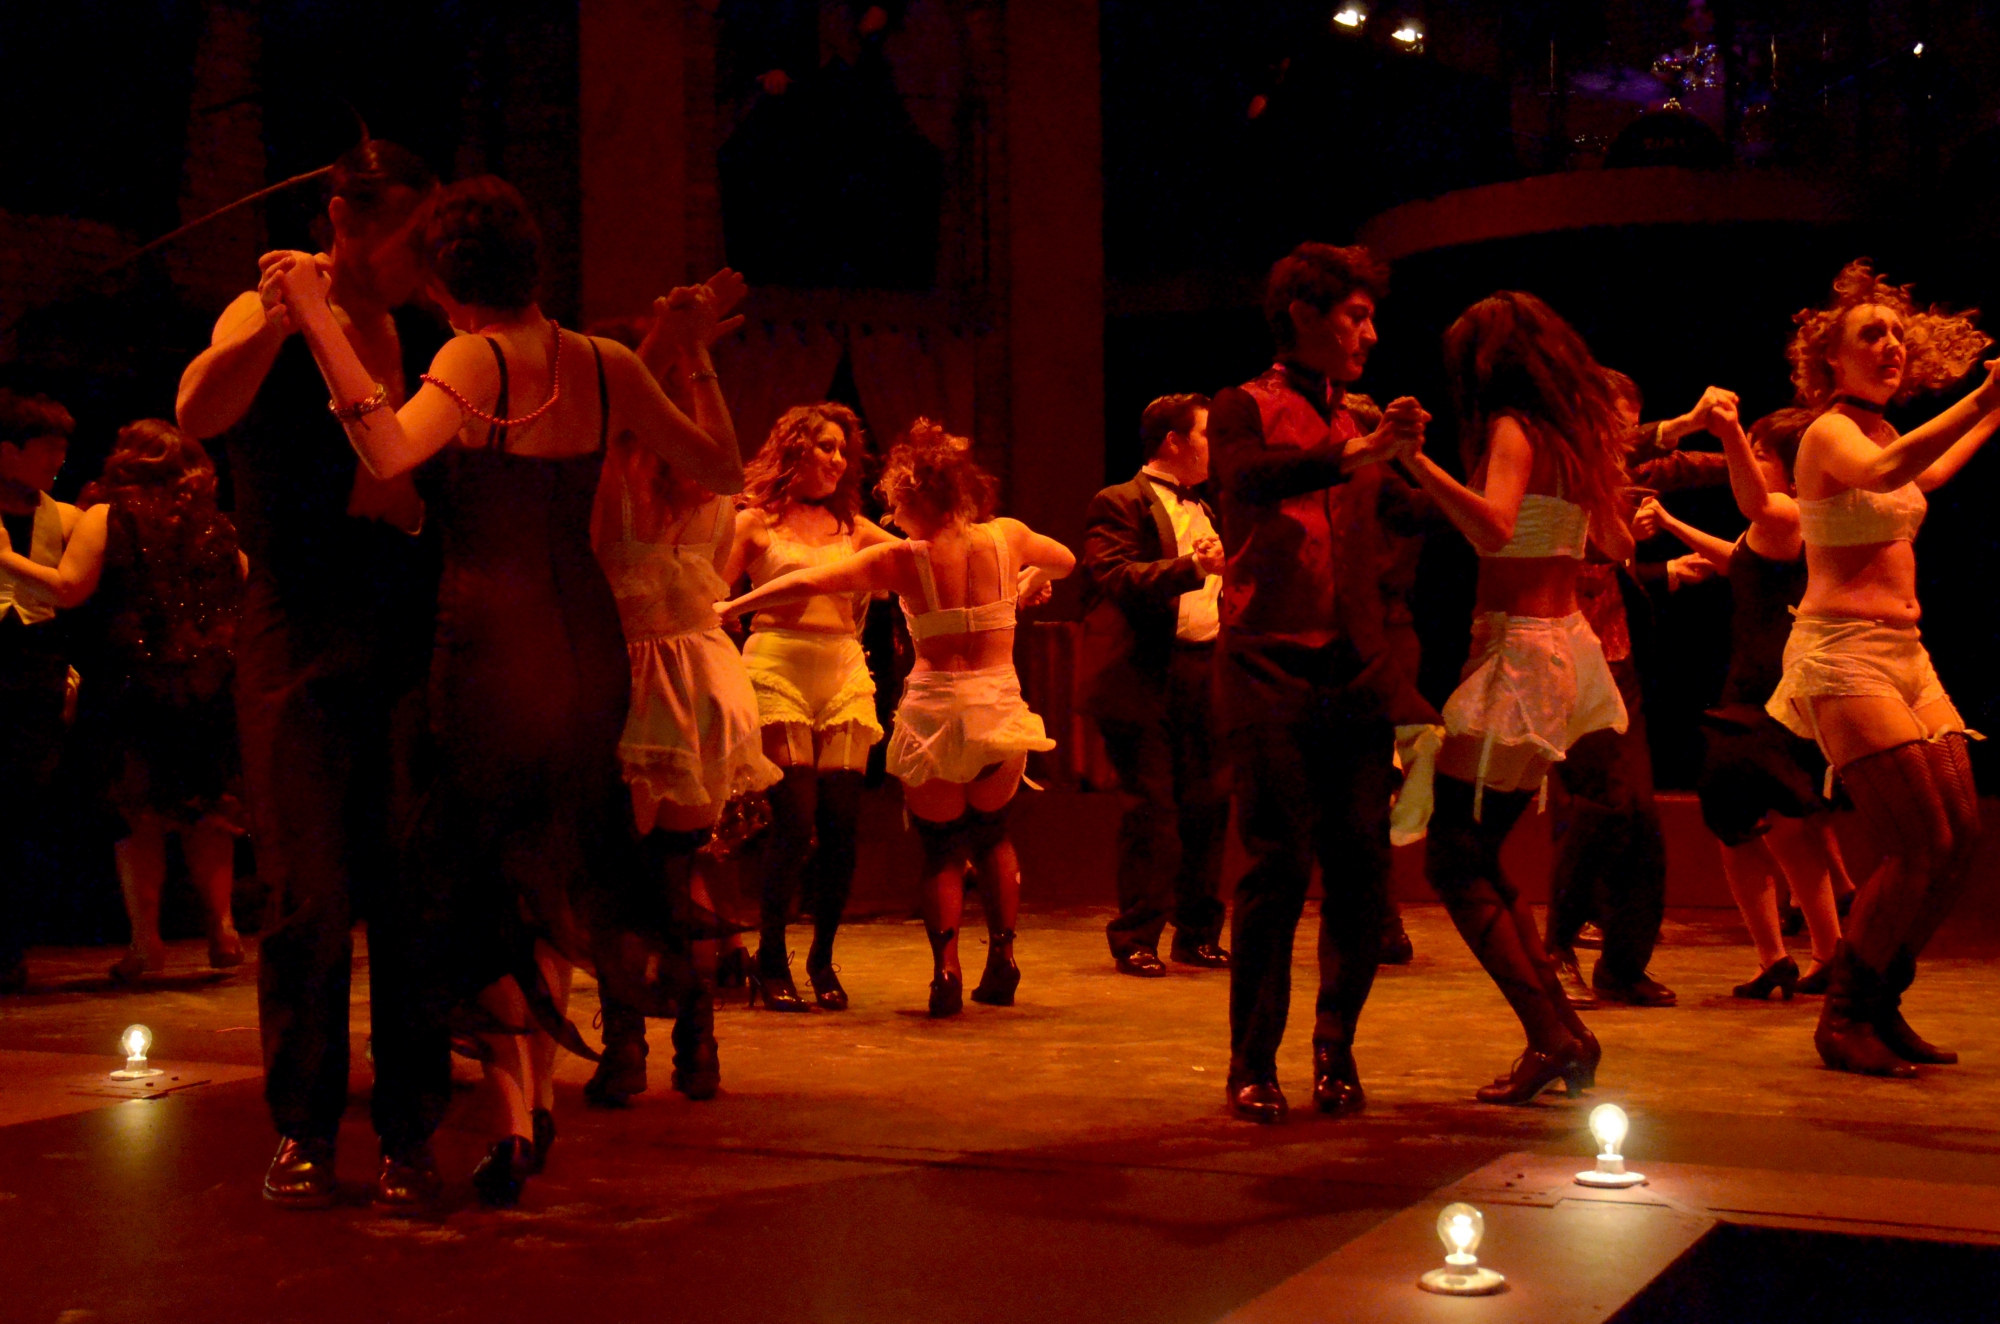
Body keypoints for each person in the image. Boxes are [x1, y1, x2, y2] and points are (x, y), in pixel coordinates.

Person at [265, 174, 744, 1203]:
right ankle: (528, 1112)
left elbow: (385, 447)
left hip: (489, 645)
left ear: (446, 282)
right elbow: (722, 466)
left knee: (468, 882)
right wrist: (695, 352)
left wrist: (314, 319)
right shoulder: (604, 361)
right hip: (585, 648)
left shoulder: (470, 355)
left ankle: (503, 1115)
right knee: (547, 867)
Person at [175, 140, 450, 1209]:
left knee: (411, 887)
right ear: (345, 219)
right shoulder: (271, 303)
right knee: (306, 891)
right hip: (296, 626)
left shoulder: (430, 328)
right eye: (410, 233)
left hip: (408, 620)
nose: (423, 254)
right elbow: (198, 412)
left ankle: (411, 1132)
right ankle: (302, 1127)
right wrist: (282, 321)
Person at [719, 420, 1075, 1016]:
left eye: (896, 503)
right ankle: (1003, 957)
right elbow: (1064, 559)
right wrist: (1027, 579)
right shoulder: (1007, 536)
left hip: (935, 710)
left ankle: (944, 970)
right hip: (994, 705)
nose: (890, 515)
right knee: (991, 834)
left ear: (915, 496)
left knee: (940, 846)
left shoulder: (904, 558)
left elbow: (810, 579)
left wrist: (735, 603)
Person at [1205, 243, 1428, 1124]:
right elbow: (1245, 478)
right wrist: (1357, 451)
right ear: (1304, 314)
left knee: (1362, 866)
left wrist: (1422, 464)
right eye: (1356, 316)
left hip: (1354, 665)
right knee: (1277, 864)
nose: (1370, 334)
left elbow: (1410, 514)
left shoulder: (1357, 420)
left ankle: (1336, 1050)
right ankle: (1252, 1063)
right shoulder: (1243, 405)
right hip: (1267, 659)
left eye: (1372, 319)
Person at [1400, 290, 1635, 1105]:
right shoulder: (1573, 438)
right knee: (1475, 853)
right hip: (1561, 643)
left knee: (1454, 858)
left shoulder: (1511, 429)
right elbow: (1616, 541)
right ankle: (1561, 1035)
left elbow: (1494, 526)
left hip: (1521, 653)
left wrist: (1414, 461)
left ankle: (1552, 1034)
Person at [1765, 260, 2000, 1077]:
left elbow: (1921, 475)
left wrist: (1993, 412)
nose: (1892, 344)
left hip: (1908, 654)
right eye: (1873, 334)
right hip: (1843, 652)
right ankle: (1842, 1019)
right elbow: (1883, 478)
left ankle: (1881, 1001)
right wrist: (1977, 399)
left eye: (1899, 333)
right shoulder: (1829, 432)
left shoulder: (1884, 432)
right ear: (1831, 357)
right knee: (1917, 840)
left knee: (1959, 839)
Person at [586, 382, 779, 1107]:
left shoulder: (614, 478)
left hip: (635, 678)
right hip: (704, 678)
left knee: (618, 881)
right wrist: (695, 363)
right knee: (672, 871)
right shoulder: (716, 488)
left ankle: (626, 1047)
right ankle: (697, 1044)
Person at [0, 421, 246, 981]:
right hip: (206, 683)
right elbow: (245, 579)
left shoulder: (109, 515)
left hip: (132, 683)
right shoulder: (217, 524)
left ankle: (145, 944)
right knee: (208, 809)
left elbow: (68, 588)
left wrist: (6, 557)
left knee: (138, 818)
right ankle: (223, 927)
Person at [1638, 405, 1853, 999]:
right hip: (1778, 684)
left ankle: (1793, 955)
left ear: (1791, 465)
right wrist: (1674, 524)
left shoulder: (1784, 511)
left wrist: (1729, 430)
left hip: (1759, 690)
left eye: (1762, 455)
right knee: (1778, 825)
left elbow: (1755, 507)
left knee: (1745, 828)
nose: (1753, 466)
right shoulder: (1800, 518)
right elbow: (1740, 560)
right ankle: (1813, 954)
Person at [1541, 375, 1736, 1010]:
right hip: (1561, 651)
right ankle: (1555, 948)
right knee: (1601, 806)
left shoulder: (1616, 476)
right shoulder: (1556, 467)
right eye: (1616, 426)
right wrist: (1684, 422)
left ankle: (1623, 965)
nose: (1626, 440)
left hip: (1617, 657)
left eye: (1631, 424)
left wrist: (1754, 455)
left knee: (1641, 818)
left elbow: (1681, 467)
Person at [721, 403, 897, 1010]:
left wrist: (1016, 578)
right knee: (795, 819)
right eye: (826, 446)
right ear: (794, 449)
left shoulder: (854, 528)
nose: (837, 459)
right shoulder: (755, 523)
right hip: (777, 665)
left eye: (843, 450)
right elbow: (711, 592)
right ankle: (771, 958)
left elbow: (926, 560)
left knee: (842, 824)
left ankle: (822, 958)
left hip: (842, 668)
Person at [1078, 393, 1231, 978]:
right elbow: (1115, 575)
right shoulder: (1119, 501)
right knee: (1154, 808)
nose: (1218, 448)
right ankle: (1136, 936)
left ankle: (1197, 933)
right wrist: (1193, 567)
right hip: (1144, 672)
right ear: (1174, 441)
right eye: (1208, 434)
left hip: (1204, 667)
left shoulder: (1209, 506)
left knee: (1209, 802)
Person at [0, 390, 82, 994]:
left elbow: (79, 599)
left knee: (21, 813)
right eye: (48, 448)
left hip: (35, 675)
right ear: (8, 451)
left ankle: (9, 949)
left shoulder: (66, 518)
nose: (59, 460)